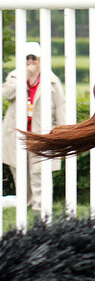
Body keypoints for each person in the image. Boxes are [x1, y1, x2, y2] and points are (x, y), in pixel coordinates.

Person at [2, 41, 65, 211]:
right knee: (20, 172)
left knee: (39, 172)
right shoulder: (15, 77)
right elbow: (7, 94)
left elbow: (61, 107)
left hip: (41, 134)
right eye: (26, 58)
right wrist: (22, 77)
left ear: (40, 59)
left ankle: (40, 207)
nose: (30, 62)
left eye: (33, 58)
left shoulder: (52, 81)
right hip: (17, 135)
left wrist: (61, 133)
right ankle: (26, 205)